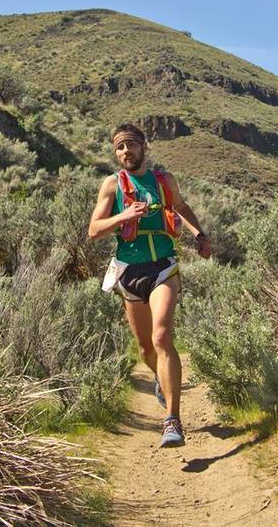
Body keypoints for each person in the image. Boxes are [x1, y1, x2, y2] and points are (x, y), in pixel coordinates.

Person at [88, 123, 211, 447]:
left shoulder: (163, 181)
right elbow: (94, 229)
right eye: (119, 147)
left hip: (163, 268)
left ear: (144, 146)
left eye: (131, 145)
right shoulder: (112, 186)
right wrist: (124, 216)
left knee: (161, 335)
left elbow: (181, 208)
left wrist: (200, 235)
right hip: (129, 271)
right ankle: (162, 379)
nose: (126, 151)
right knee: (145, 348)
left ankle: (172, 420)